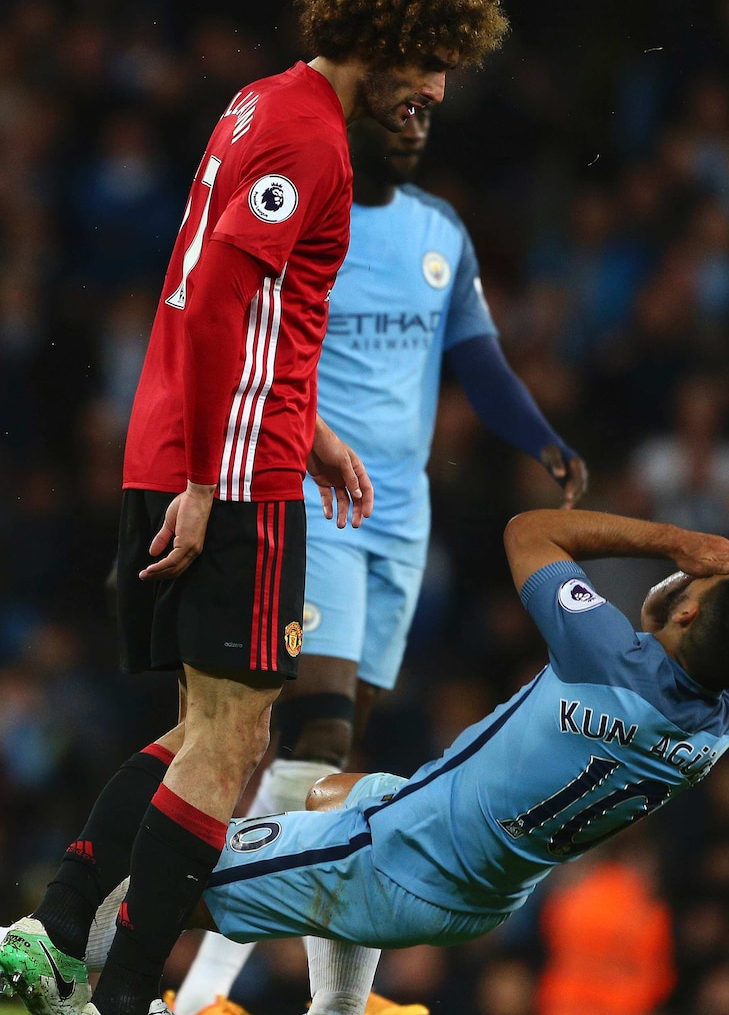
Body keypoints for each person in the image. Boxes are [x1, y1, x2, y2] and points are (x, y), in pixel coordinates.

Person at [0, 0, 508, 1015]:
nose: (434, 91)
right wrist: (205, 479)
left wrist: (306, 424)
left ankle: (48, 938)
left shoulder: (262, 103)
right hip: (228, 473)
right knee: (236, 747)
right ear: (374, 39)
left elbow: (239, 307)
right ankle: (125, 995)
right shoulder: (311, 144)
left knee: (200, 735)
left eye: (446, 70)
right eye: (423, 63)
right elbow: (223, 298)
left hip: (211, 446)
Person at [172, 106, 589, 1015]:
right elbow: (250, 326)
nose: (412, 125)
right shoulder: (317, 213)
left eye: (426, 110)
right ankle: (200, 987)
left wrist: (543, 440)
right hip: (315, 493)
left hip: (402, 516)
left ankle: (332, 1004)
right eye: (396, 107)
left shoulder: (442, 231)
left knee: (335, 762)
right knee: (314, 735)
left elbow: (478, 360)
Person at [75, 507, 729, 1015]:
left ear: (691, 612)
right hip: (484, 888)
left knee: (169, 874)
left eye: (703, 580)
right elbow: (675, 630)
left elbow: (531, 530)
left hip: (397, 858)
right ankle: (337, 1008)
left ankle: (43, 958)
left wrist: (677, 544)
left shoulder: (603, 655)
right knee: (333, 790)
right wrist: (694, 598)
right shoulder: (721, 722)